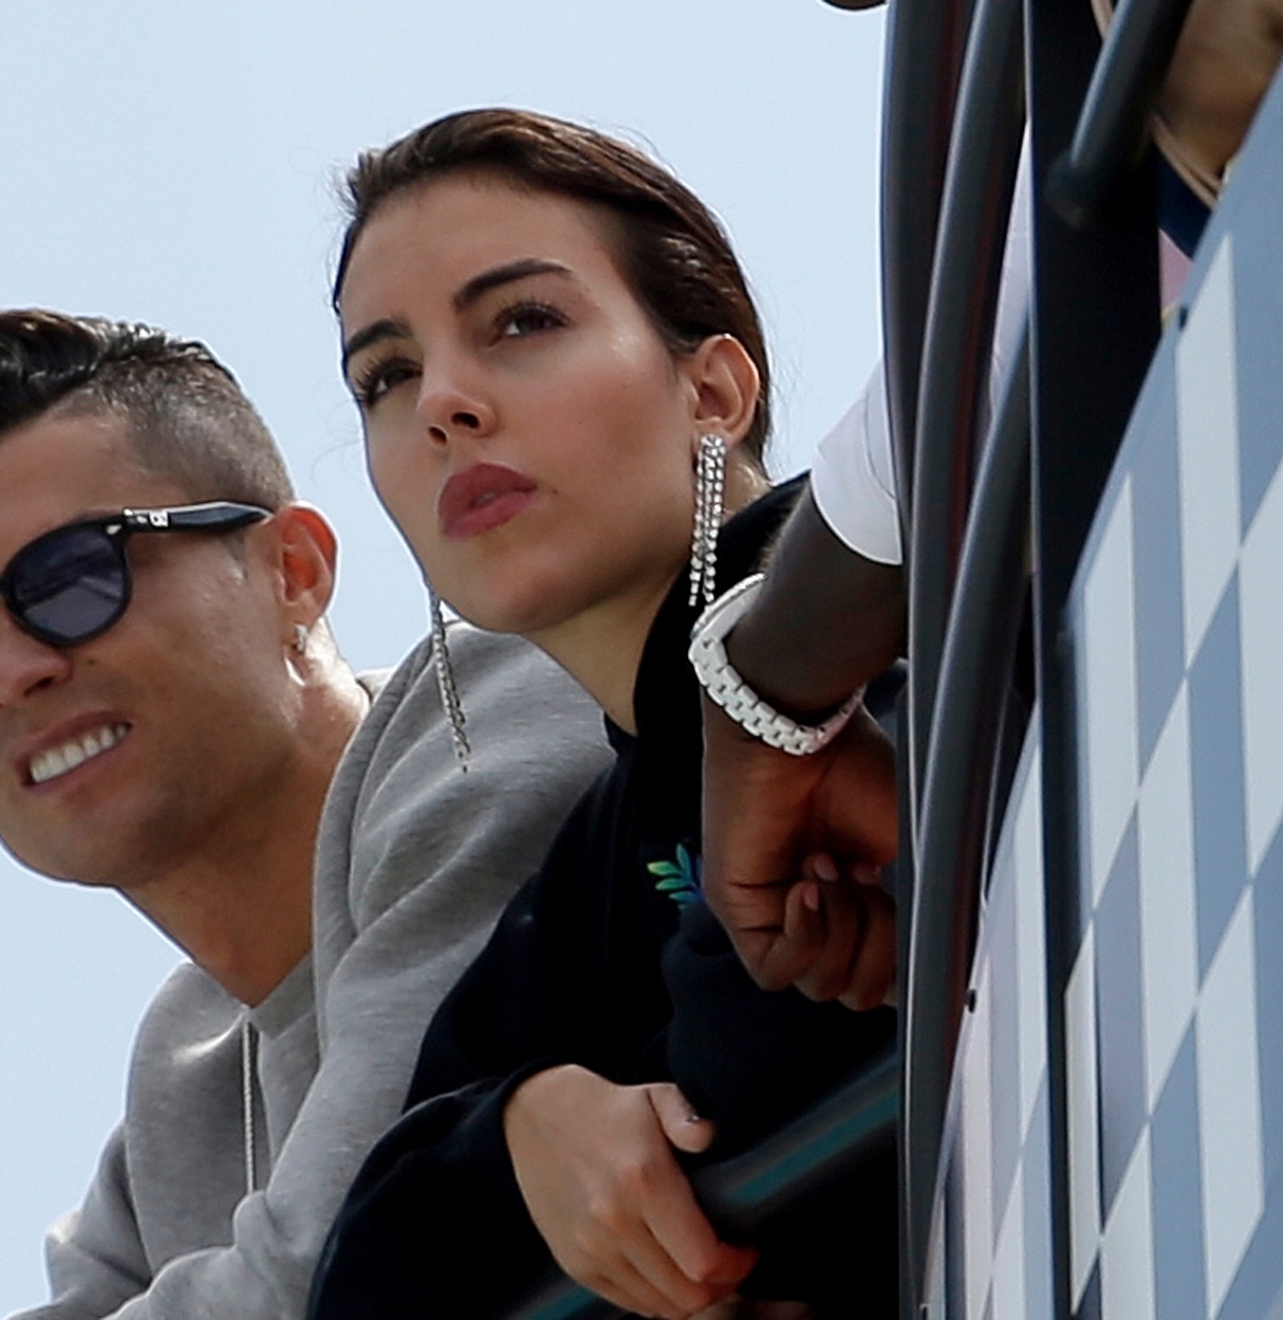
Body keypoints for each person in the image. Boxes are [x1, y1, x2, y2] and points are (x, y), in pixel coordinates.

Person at [0, 310, 610, 1320]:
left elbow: (348, 1252)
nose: (12, 672)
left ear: (293, 572)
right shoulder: (183, 1077)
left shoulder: (488, 711)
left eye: (70, 578)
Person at [309, 110, 897, 1320]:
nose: (444, 406)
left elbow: (760, 1069)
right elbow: (360, 1280)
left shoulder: (901, 604)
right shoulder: (589, 860)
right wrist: (518, 1129)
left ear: (713, 386)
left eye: (521, 322)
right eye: (388, 375)